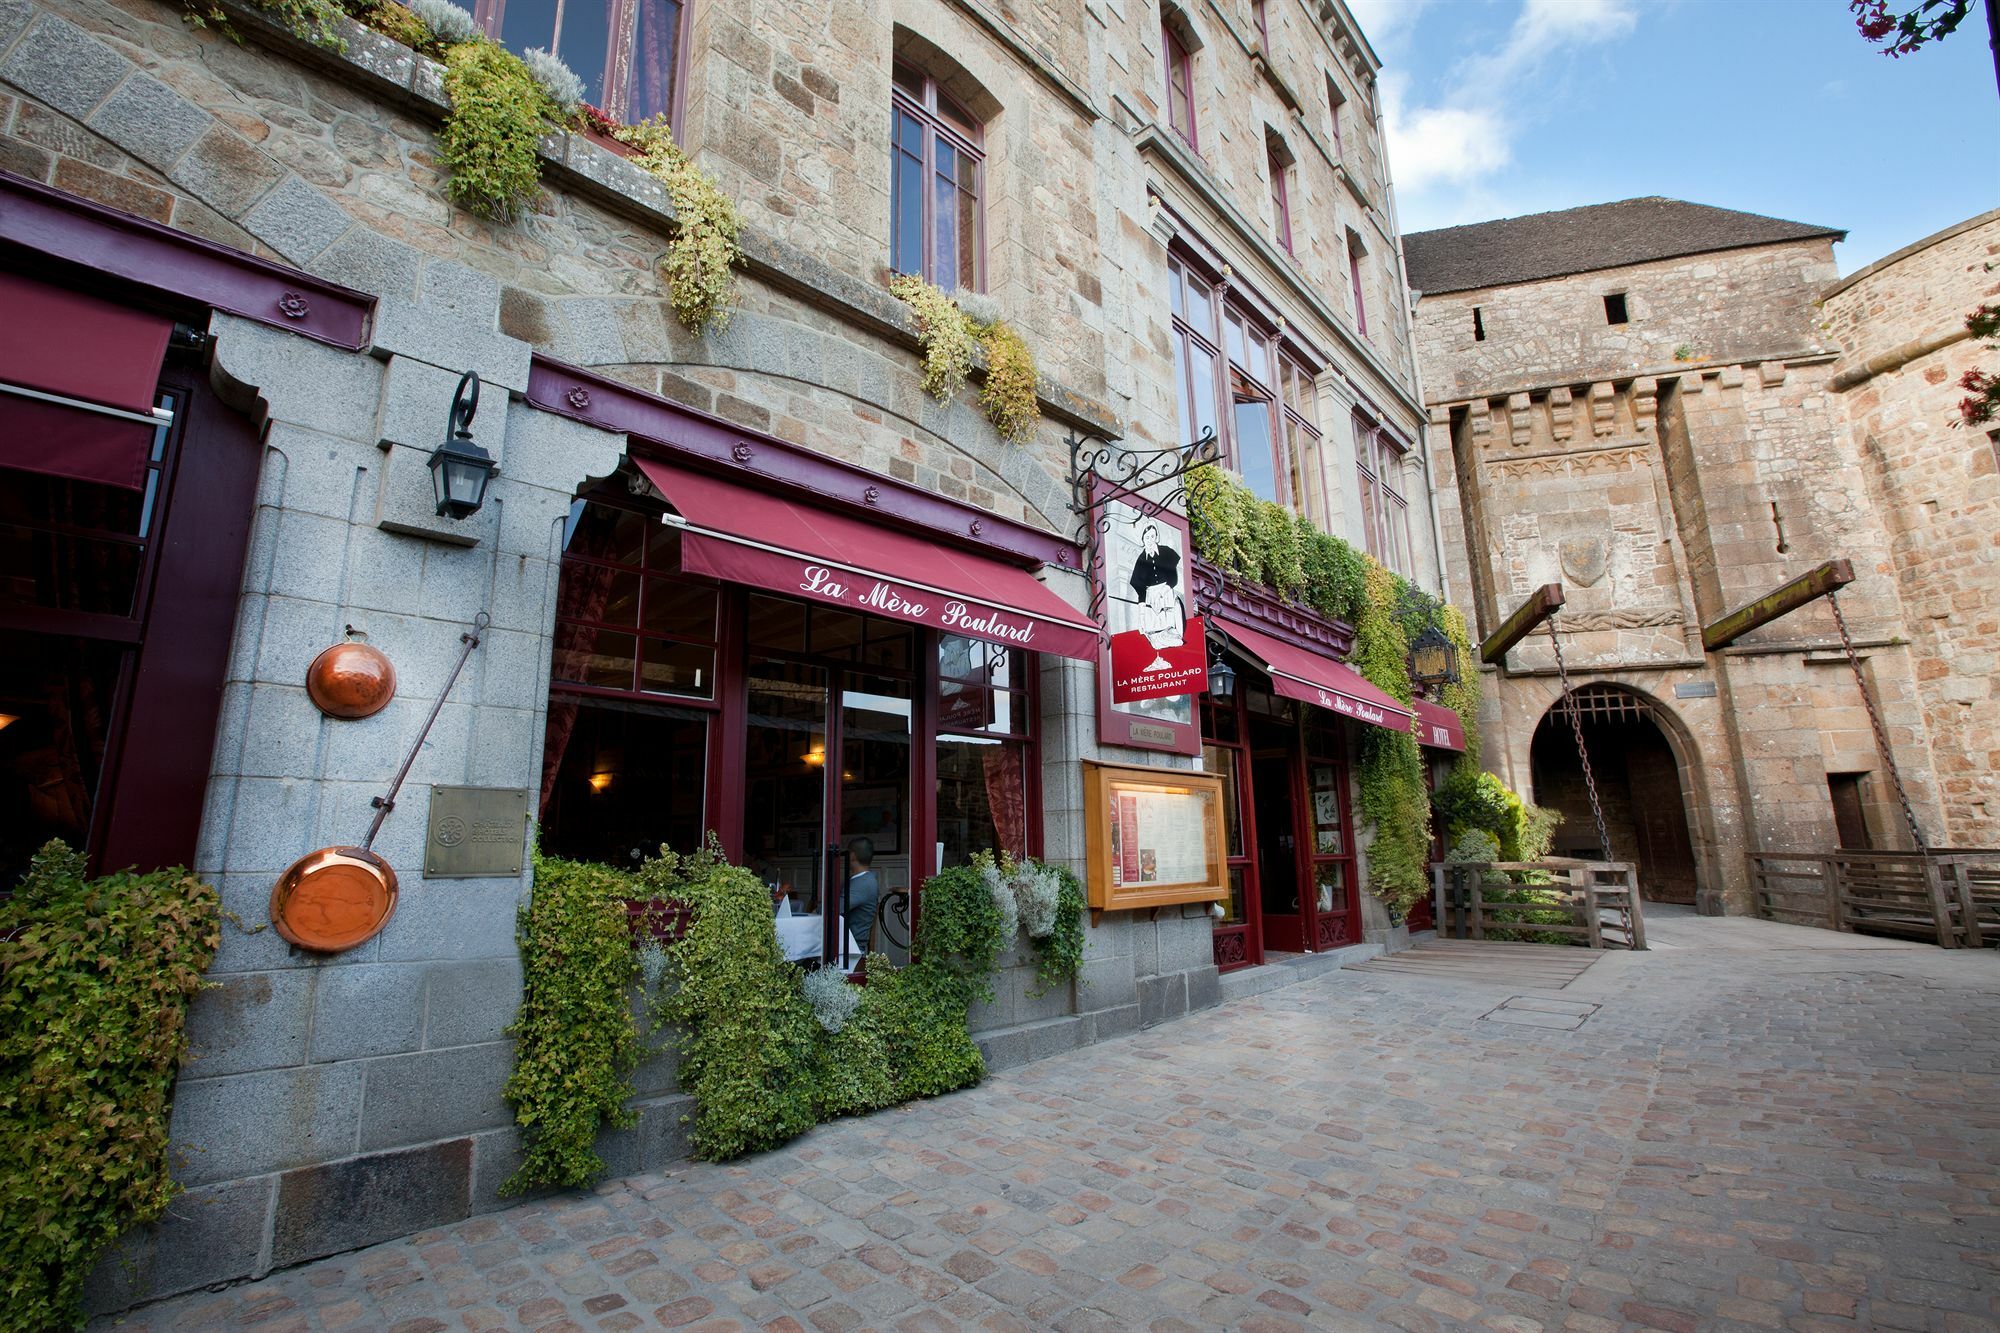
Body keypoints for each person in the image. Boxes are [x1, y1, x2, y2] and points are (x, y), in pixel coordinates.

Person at [842, 837, 878, 961]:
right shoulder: (862, 880)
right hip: (846, 947)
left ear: (852, 856)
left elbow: (832, 909)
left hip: (849, 952)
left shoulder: (862, 884)